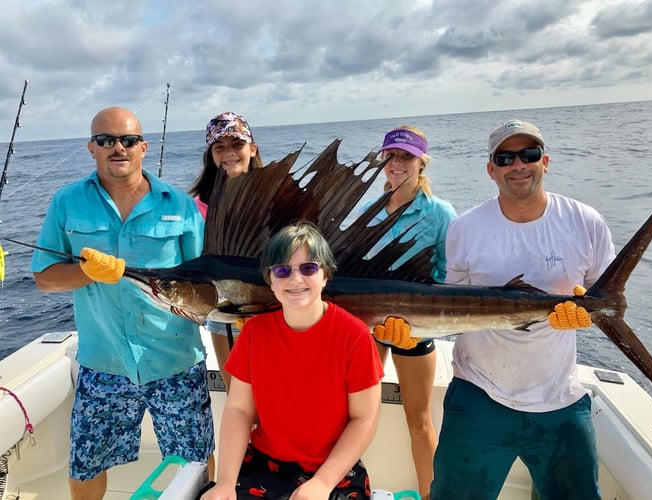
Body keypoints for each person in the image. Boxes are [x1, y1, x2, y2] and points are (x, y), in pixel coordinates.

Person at [30, 107, 215, 500]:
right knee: (86, 465)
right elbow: (45, 278)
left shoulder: (179, 206)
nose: (118, 147)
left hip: (176, 362)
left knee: (196, 464)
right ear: (91, 148)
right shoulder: (66, 203)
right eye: (106, 140)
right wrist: (87, 273)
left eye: (128, 140)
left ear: (143, 147)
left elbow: (207, 284)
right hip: (104, 365)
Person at [430, 119, 613, 499]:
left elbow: (601, 300)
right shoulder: (464, 228)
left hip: (560, 397)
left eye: (528, 155)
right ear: (490, 169)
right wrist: (402, 330)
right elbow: (448, 310)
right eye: (505, 157)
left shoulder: (586, 221)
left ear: (545, 161)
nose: (518, 165)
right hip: (479, 394)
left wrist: (588, 313)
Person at [202, 221, 384, 500]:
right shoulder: (253, 333)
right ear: (270, 280)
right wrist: (225, 482)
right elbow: (239, 410)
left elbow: (364, 418)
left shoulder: (355, 336)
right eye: (283, 270)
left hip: (334, 472)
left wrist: (322, 483)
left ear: (325, 275)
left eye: (308, 268)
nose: (295, 279)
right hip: (264, 465)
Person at [364, 125, 457, 500]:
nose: (397, 163)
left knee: (419, 421)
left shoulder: (440, 213)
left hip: (415, 329)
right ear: (382, 161)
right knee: (358, 417)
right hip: (369, 327)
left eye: (406, 156)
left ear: (422, 163)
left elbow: (449, 275)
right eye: (391, 156)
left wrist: (416, 321)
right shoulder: (366, 212)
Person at [189, 111, 264, 392]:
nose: (229, 153)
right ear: (211, 155)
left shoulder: (276, 196)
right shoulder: (196, 207)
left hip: (277, 314)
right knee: (239, 400)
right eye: (220, 147)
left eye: (237, 144)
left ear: (252, 149)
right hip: (225, 315)